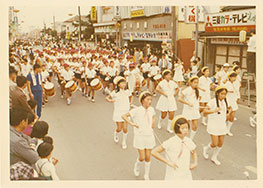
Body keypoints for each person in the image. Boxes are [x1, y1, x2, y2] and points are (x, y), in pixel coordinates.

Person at [122, 91, 156, 180]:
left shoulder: (151, 109)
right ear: (142, 100)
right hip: (140, 136)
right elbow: (124, 116)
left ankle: (146, 175)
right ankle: (137, 165)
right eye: (148, 99)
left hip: (149, 135)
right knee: (142, 157)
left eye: (151, 100)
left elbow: (153, 117)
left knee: (148, 157)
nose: (150, 101)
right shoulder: (136, 110)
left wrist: (153, 123)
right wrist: (132, 123)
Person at [151, 115, 197, 180]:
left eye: (186, 127)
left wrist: (195, 163)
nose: (185, 130)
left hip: (186, 174)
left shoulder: (188, 141)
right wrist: (168, 162)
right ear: (176, 129)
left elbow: (193, 151)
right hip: (173, 174)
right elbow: (154, 152)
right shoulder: (171, 141)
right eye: (183, 128)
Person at [203, 86, 230, 165]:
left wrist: (228, 114)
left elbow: (230, 108)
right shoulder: (212, 101)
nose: (223, 96)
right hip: (213, 124)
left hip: (222, 124)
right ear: (217, 93)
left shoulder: (226, 101)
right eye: (222, 94)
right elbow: (205, 111)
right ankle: (206, 149)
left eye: (225, 94)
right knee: (214, 143)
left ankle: (214, 157)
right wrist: (213, 110)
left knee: (220, 143)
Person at [106, 76, 132, 149]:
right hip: (118, 112)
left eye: (124, 83)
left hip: (126, 112)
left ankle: (124, 142)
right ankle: (116, 133)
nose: (124, 85)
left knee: (125, 128)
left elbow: (131, 96)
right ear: (118, 84)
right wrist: (111, 100)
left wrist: (130, 102)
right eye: (122, 83)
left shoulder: (127, 91)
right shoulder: (115, 92)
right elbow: (107, 98)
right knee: (119, 128)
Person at [224, 71, 238, 136]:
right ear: (230, 77)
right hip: (228, 101)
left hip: (233, 101)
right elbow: (224, 92)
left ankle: (228, 130)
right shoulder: (227, 84)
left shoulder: (234, 84)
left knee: (232, 117)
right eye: (233, 77)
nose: (235, 78)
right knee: (227, 116)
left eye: (235, 77)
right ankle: (222, 127)